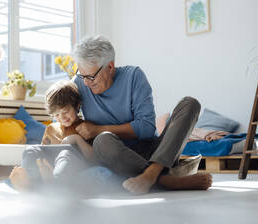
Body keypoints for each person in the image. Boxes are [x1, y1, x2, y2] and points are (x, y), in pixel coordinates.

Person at [72, 35, 213, 195]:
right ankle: (166, 180)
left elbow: (146, 128)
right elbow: (60, 120)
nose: (86, 82)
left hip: (154, 152)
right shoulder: (78, 84)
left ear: (110, 67)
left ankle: (151, 174)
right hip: (116, 157)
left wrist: (97, 129)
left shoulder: (133, 76)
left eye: (91, 76)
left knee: (190, 104)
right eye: (81, 75)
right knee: (102, 141)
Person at [8, 80, 95, 192]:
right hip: (50, 164)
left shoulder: (85, 127)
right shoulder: (51, 129)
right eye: (57, 115)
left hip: (72, 162)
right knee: (31, 150)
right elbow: (42, 151)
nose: (62, 117)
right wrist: (41, 163)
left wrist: (77, 139)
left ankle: (53, 184)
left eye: (65, 111)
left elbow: (93, 158)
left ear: (77, 106)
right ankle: (28, 179)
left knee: (65, 153)